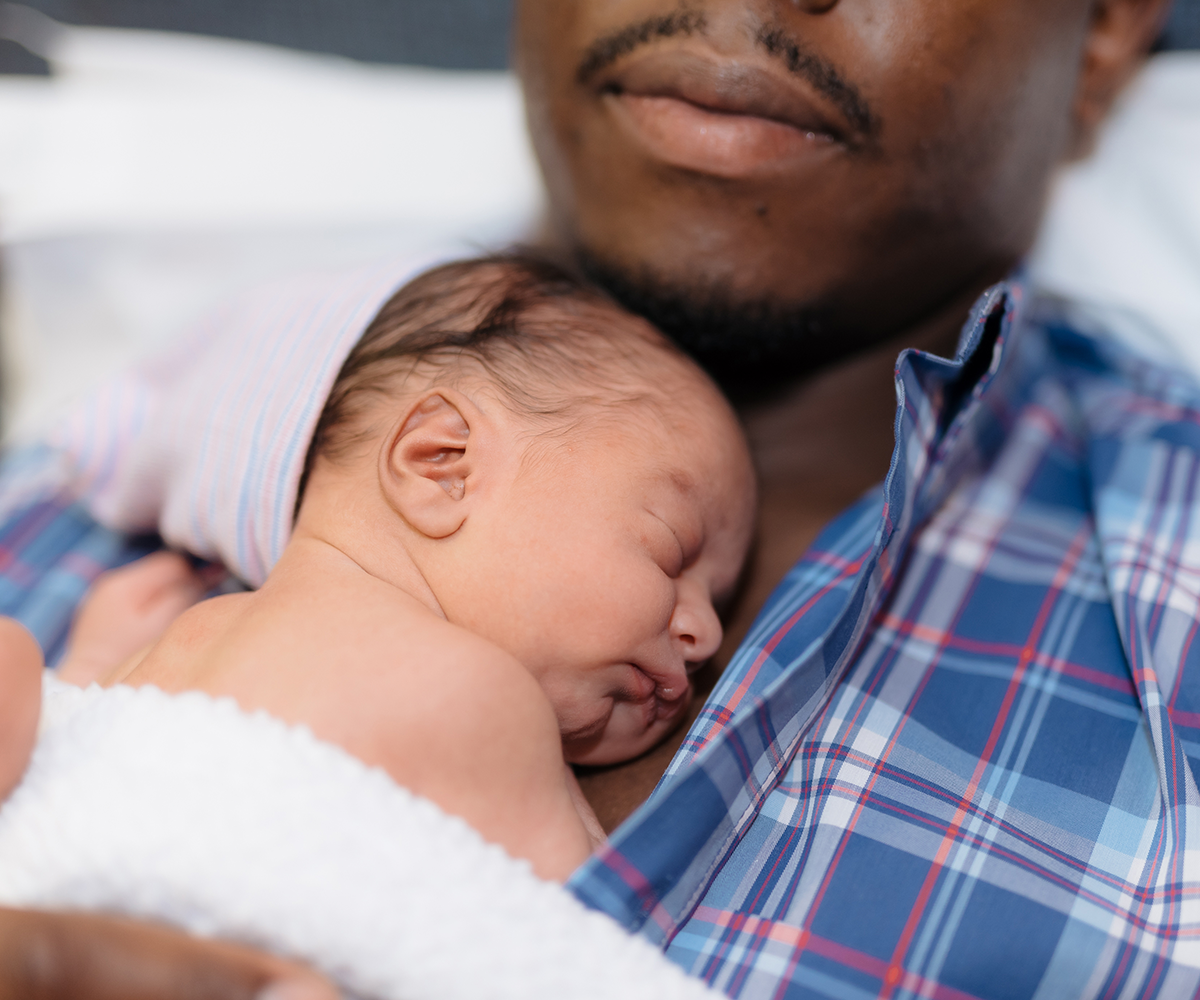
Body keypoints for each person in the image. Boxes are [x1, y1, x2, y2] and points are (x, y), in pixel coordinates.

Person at [0, 0, 1189, 996]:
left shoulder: (1168, 609)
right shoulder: (60, 520)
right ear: (436, 462)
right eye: (671, 545)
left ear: (1101, 31)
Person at [0, 255, 752, 998]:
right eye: (671, 547)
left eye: (716, 600)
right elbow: (572, 953)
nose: (706, 636)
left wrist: (90, 661)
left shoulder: (188, 637)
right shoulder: (480, 701)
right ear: (441, 464)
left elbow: (80, 771)